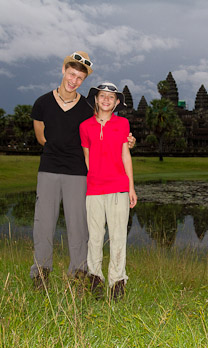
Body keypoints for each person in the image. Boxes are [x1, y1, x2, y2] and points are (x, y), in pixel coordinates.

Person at [30, 51, 135, 289]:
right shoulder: (42, 103)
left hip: (78, 172)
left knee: (78, 225)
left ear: (83, 81)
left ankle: (79, 271)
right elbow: (41, 137)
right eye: (71, 73)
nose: (74, 80)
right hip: (49, 169)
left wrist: (129, 140)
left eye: (80, 77)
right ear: (64, 70)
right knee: (43, 222)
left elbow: (108, 131)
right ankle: (41, 272)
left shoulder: (88, 108)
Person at [79, 82, 137, 300]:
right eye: (102, 96)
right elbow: (87, 157)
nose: (106, 100)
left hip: (119, 187)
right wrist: (95, 177)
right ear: (95, 99)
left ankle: (117, 283)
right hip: (94, 188)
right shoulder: (85, 126)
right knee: (94, 237)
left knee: (118, 236)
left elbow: (125, 156)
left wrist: (131, 187)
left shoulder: (123, 124)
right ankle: (95, 279)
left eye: (110, 97)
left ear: (116, 103)